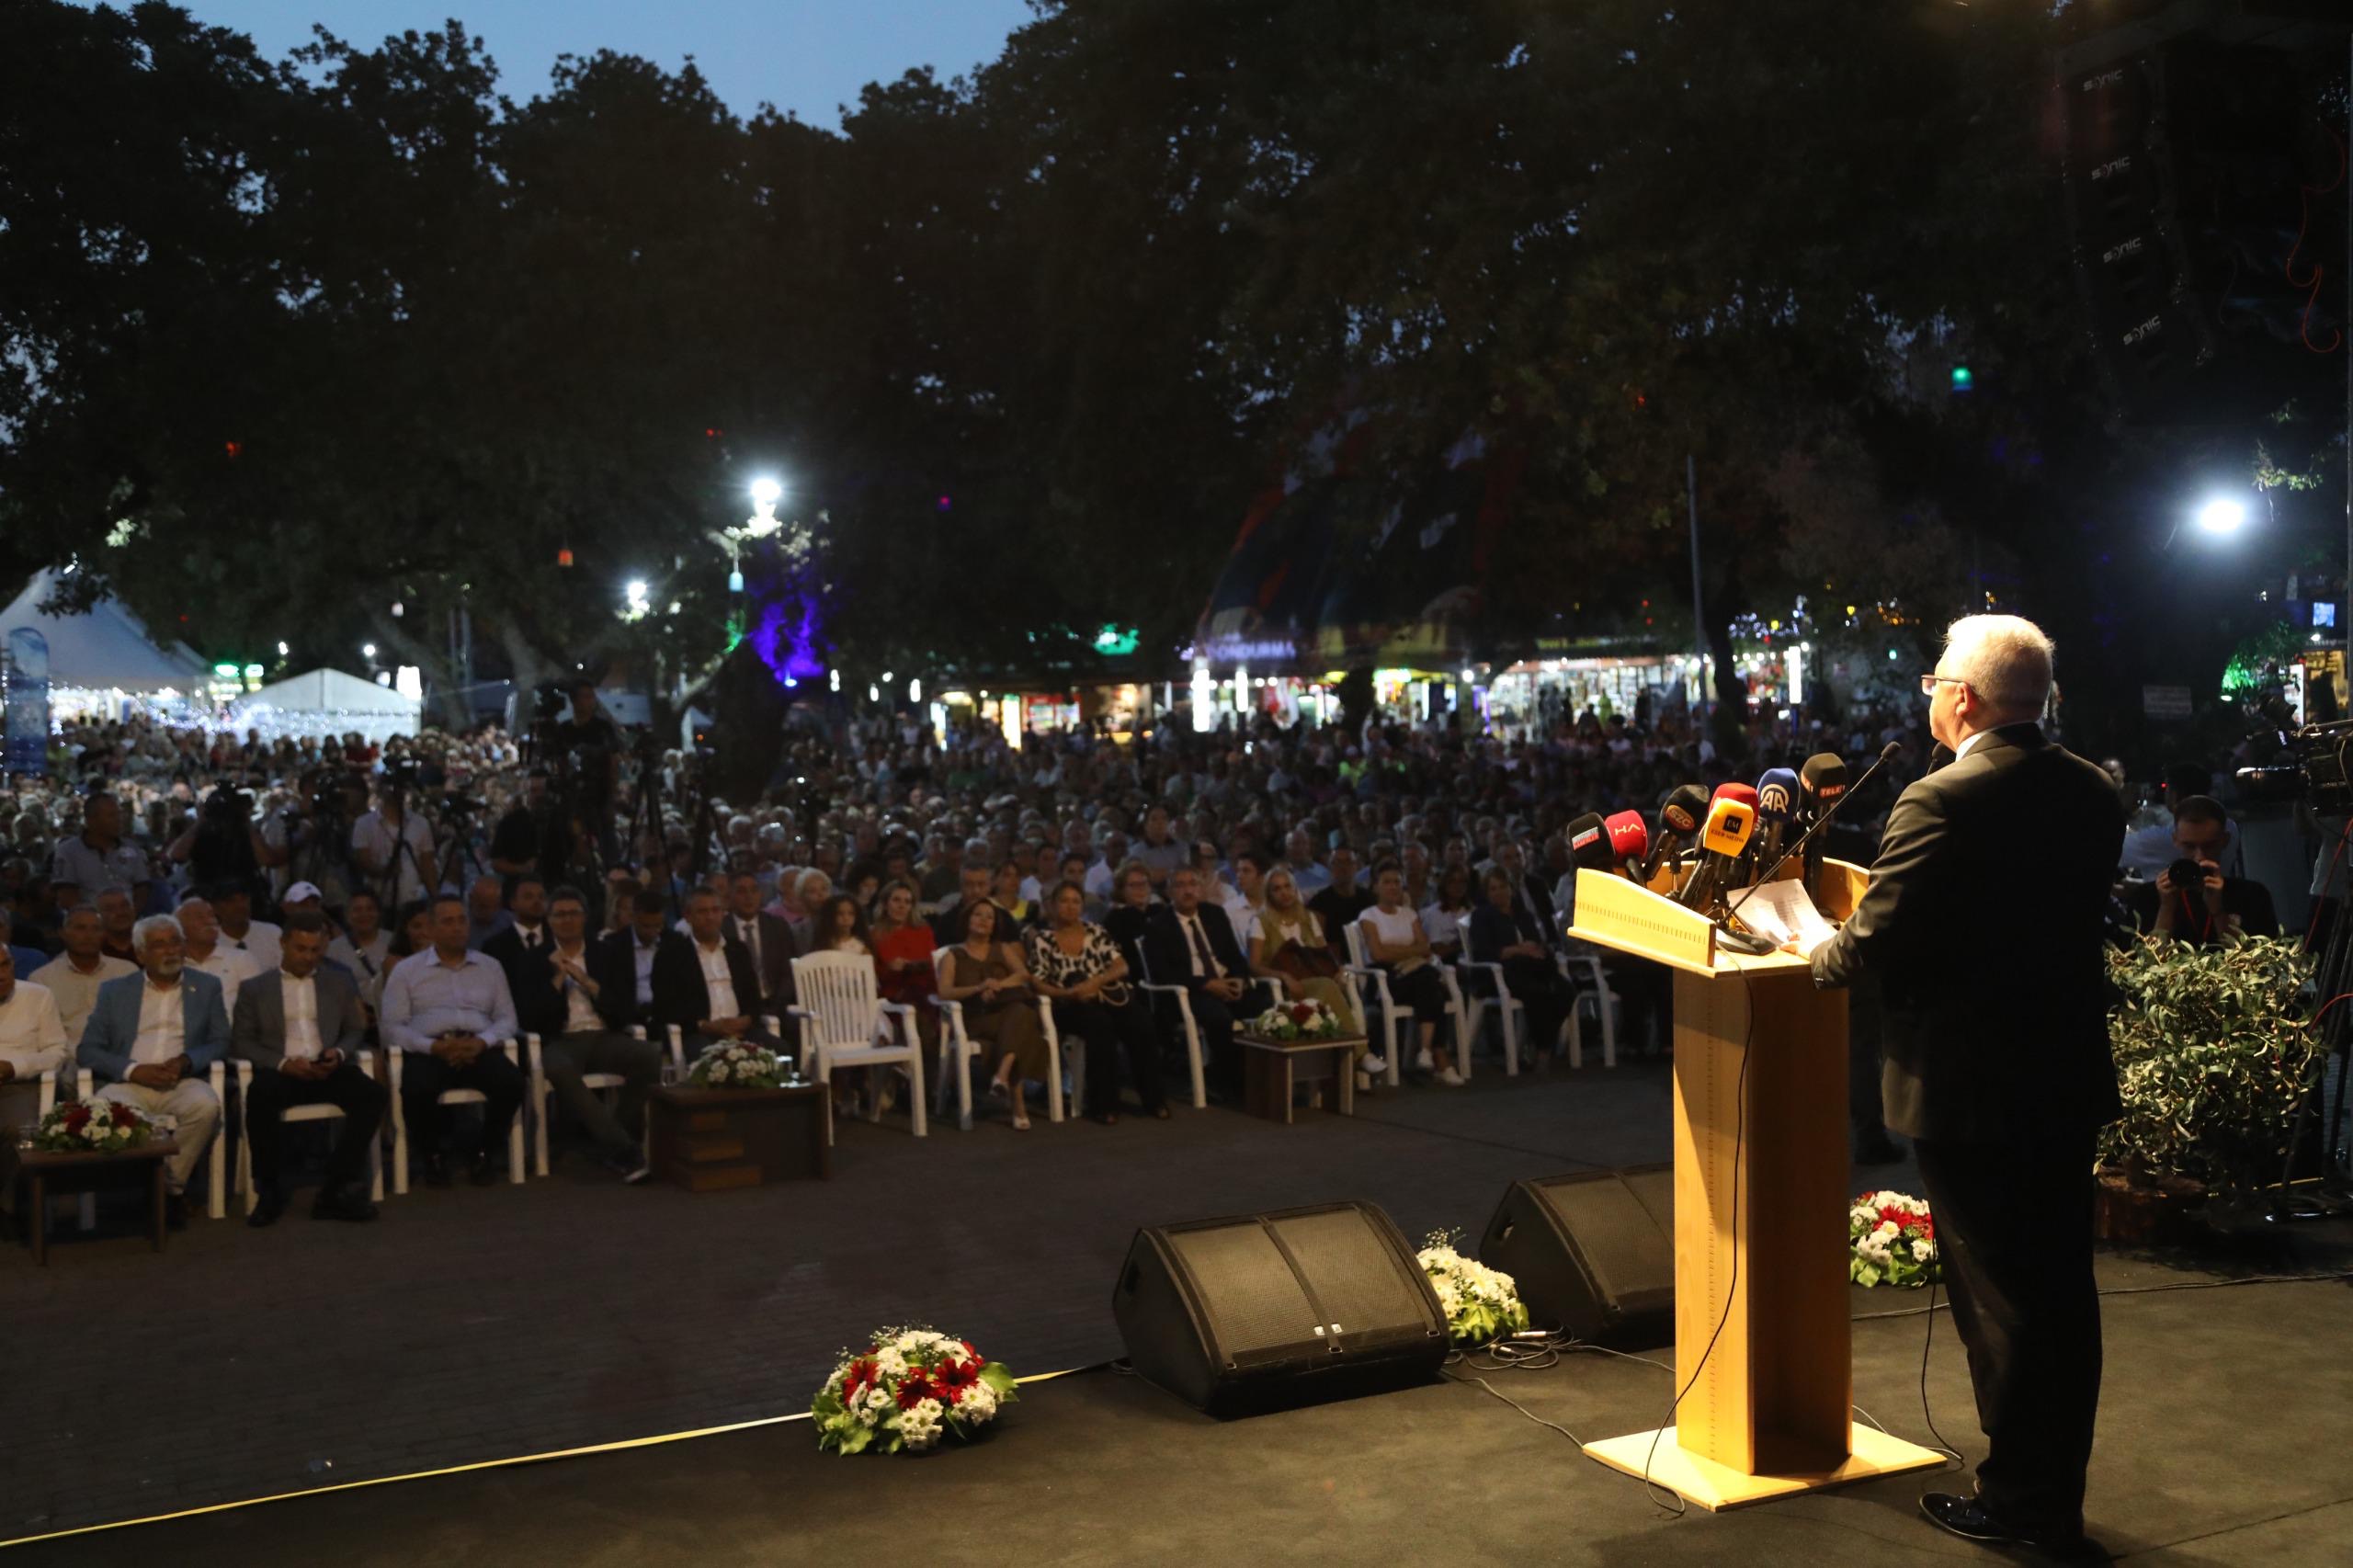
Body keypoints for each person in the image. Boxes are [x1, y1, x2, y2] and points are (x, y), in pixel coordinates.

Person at [1808, 614, 2122, 1553]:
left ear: (1965, 696)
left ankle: (2023, 1508)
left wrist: (1809, 952)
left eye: (1934, 680)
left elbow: (1877, 938)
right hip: (2060, 1074)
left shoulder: (1941, 797)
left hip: (1966, 1087)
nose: (1932, 695)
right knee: (2060, 1293)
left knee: (2000, 1304)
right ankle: (2047, 1493)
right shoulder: (2092, 790)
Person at [231, 912, 386, 1225]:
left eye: (315, 950)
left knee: (371, 1095)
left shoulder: (337, 982)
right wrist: (284, 1063)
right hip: (282, 1069)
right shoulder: (255, 989)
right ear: (284, 943)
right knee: (259, 1095)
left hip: (326, 1066)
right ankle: (269, 1190)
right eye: (301, 949)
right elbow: (241, 1042)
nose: (308, 957)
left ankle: (335, 1187)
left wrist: (339, 1053)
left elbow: (355, 1028)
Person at [494, 885, 657, 1181]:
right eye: (560, 915)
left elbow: (623, 1010)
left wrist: (587, 981)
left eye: (573, 914)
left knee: (648, 1055)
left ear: (585, 918)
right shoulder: (534, 959)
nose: (567, 920)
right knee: (556, 1065)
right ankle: (623, 1148)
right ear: (549, 920)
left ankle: (614, 1142)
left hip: (604, 1036)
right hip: (562, 1039)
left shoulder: (606, 953)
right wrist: (558, 978)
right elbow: (530, 1019)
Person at [78, 915, 228, 1223]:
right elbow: (88, 1050)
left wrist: (187, 1060)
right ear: (141, 953)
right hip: (129, 1082)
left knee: (206, 1106)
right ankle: (157, 1191)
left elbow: (221, 1041)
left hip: (182, 1080)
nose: (170, 950)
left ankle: (167, 1190)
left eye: (175, 941)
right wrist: (134, 1070)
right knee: (105, 1109)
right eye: (159, 944)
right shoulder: (114, 991)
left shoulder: (208, 986)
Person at [380, 893, 525, 1187]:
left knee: (512, 1083)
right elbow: (392, 1027)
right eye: (448, 921)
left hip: (478, 1047)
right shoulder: (407, 971)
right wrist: (432, 1046)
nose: (457, 927)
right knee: (417, 1088)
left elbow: (508, 1019)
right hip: (430, 1048)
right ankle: (432, 1155)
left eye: (462, 920)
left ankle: (484, 1151)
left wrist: (482, 1041)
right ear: (431, 929)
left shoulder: (490, 966)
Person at [1025, 881, 1168, 1123]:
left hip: (1104, 994)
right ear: (1052, 906)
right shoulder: (1043, 940)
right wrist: (1068, 994)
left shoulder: (1096, 932)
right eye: (1064, 901)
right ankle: (1104, 1104)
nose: (1070, 907)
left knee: (1141, 1023)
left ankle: (1154, 1099)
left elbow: (1121, 965)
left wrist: (1096, 982)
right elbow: (1037, 982)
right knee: (1099, 1025)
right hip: (1067, 1004)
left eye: (1076, 901)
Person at [1143, 866, 1256, 1098]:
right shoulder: (1158, 926)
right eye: (1180, 885)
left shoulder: (1214, 914)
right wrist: (1206, 984)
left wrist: (1239, 979)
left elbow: (1235, 956)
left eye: (1192, 884)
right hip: (1189, 992)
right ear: (1169, 892)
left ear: (1201, 888)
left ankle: (1263, 1076)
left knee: (1263, 1005)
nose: (1188, 891)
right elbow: (1162, 973)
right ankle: (1229, 1082)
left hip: (1225, 983)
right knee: (1219, 1017)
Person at [937, 899, 1048, 1130]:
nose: (984, 920)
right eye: (978, 915)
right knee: (1023, 1024)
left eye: (990, 917)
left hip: (1005, 1012)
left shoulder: (1002, 949)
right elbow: (944, 991)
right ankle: (1017, 1103)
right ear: (968, 920)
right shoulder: (953, 954)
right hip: (976, 1017)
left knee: (1019, 1014)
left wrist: (998, 985)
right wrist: (978, 989)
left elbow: (1023, 975)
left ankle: (1002, 1074)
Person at [1251, 867, 1370, 1081]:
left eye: (1288, 886)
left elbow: (1324, 954)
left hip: (1313, 979)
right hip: (1285, 987)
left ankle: (1338, 1066)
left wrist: (1339, 969)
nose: (1284, 893)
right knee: (1327, 988)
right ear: (1269, 894)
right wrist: (1283, 977)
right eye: (1277, 889)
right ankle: (1360, 1055)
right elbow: (1254, 965)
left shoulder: (1308, 918)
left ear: (1295, 889)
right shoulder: (1260, 921)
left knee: (1331, 985)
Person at [2124, 794, 2280, 946]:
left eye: (2209, 846)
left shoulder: (2252, 895)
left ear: (2224, 841)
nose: (2199, 857)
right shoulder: (2146, 897)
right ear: (2175, 841)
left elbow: (2258, 962)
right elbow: (2144, 964)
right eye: (2189, 846)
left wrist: (2218, 911)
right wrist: (2166, 908)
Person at [1357, 860, 1460, 1085]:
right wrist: (1409, 952)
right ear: (1375, 886)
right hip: (1385, 978)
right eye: (1387, 882)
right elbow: (1378, 954)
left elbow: (1425, 947)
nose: (1393, 887)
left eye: (1397, 882)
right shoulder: (1369, 915)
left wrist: (1398, 950)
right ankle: (1435, 1055)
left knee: (1429, 983)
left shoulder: (1409, 914)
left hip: (1416, 977)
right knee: (1433, 984)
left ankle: (1426, 1051)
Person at [1466, 868, 1572, 1066]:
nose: (1498, 892)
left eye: (1503, 886)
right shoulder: (1482, 917)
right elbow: (1484, 951)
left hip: (1534, 968)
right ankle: (1542, 1049)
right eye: (1493, 889)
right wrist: (1517, 950)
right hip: (1502, 972)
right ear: (1487, 893)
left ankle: (1542, 1044)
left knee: (1566, 989)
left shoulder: (1523, 914)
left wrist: (1536, 949)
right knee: (1537, 992)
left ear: (1511, 888)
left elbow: (1536, 941)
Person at [656, 889, 767, 1062]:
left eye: (715, 910)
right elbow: (666, 1006)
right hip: (699, 1033)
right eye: (702, 911)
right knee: (708, 1056)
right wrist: (705, 1025)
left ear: (723, 913)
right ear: (688, 916)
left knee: (780, 1047)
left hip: (742, 1031)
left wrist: (746, 1020)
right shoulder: (671, 955)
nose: (710, 917)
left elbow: (753, 997)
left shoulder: (738, 950)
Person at [29, 904, 136, 1046]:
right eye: (80, 928)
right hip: (66, 1061)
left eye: (96, 929)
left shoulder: (127, 971)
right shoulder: (42, 979)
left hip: (121, 1056)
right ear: (63, 933)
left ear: (104, 934)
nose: (88, 935)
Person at [869, 879, 941, 1077]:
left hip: (925, 992)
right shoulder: (875, 934)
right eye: (896, 900)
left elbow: (934, 964)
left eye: (907, 902)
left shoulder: (923, 931)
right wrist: (892, 969)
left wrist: (915, 965)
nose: (902, 906)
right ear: (885, 903)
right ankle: (923, 1081)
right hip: (893, 996)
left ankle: (925, 1079)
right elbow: (874, 975)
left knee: (924, 1011)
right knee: (916, 1015)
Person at [0, 947, 70, 1151]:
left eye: (5, 965)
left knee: (17, 1130)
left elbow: (57, 1053)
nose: (2, 975)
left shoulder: (38, 996)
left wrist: (14, 1067)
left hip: (19, 1085)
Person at [49, 791, 151, 910]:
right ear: (91, 820)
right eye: (112, 815)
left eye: (119, 814)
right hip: (88, 920)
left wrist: (132, 912)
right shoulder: (68, 851)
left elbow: (142, 886)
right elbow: (66, 895)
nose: (119, 820)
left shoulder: (132, 848)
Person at [350, 778, 438, 908]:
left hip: (412, 901)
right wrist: (387, 870)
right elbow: (363, 862)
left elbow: (428, 865)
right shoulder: (364, 824)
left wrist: (436, 899)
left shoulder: (420, 824)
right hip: (377, 901)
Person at [726, 869, 799, 1018]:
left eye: (754, 890)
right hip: (737, 1009)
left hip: (776, 1004)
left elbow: (789, 973)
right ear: (730, 897)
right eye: (741, 891)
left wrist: (776, 1008)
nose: (749, 897)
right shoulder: (721, 929)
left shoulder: (778, 926)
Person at [175, 894, 260, 1016]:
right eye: (200, 917)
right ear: (180, 928)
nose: (209, 921)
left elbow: (258, 1006)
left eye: (211, 915)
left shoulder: (242, 959)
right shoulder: (174, 966)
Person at [1420, 865, 1475, 962]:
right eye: (1453, 882)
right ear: (1444, 885)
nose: (1458, 886)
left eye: (1462, 882)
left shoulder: (1472, 911)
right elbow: (1438, 950)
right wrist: (1461, 945)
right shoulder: (1434, 913)